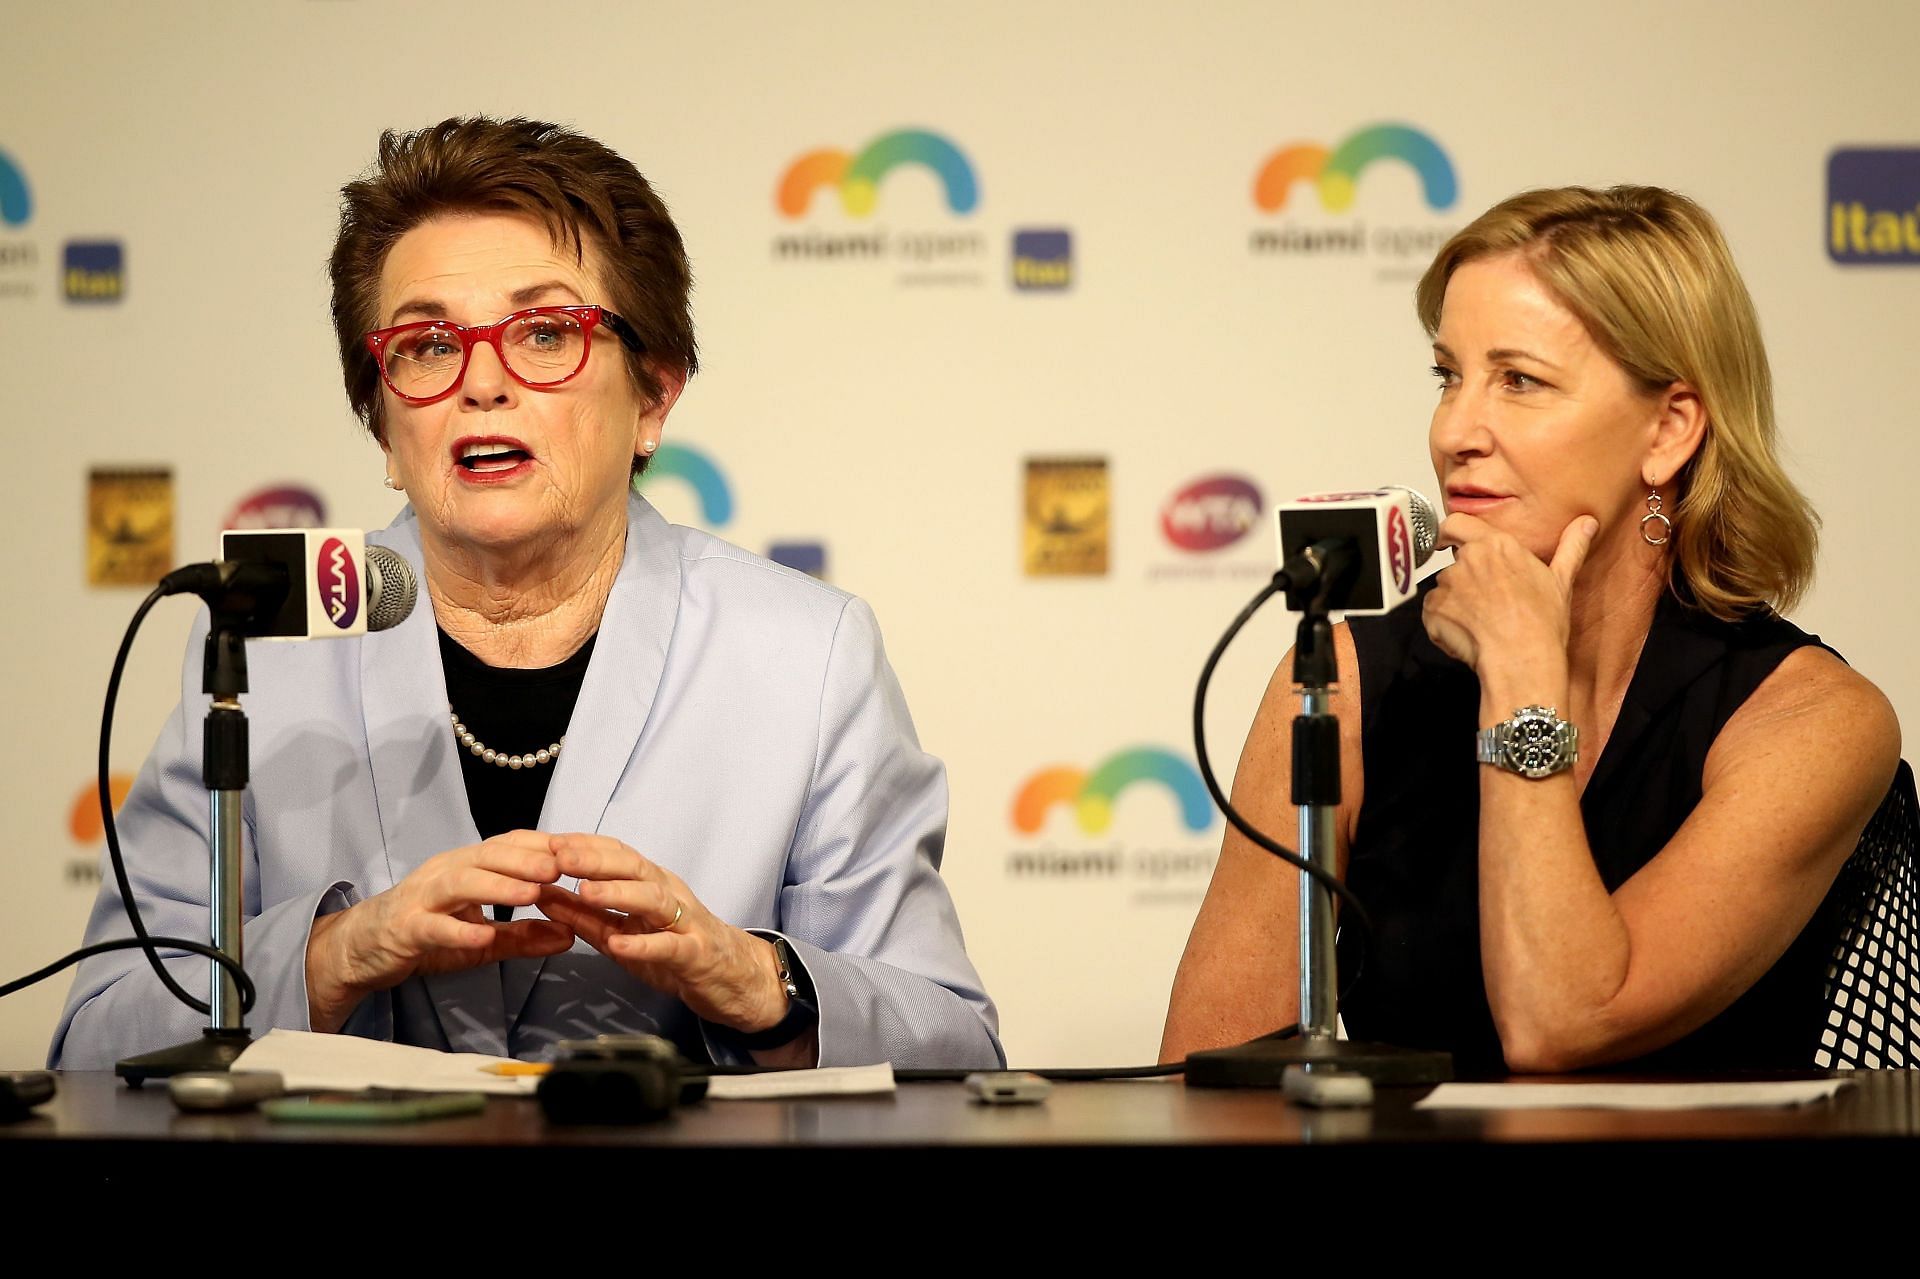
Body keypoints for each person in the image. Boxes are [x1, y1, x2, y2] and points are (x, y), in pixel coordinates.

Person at [52, 117, 1002, 1071]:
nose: (482, 384)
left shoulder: (805, 653)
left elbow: (957, 1049)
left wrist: (759, 982)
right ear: (382, 426)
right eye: (427, 346)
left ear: (655, 394)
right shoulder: (261, 651)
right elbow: (97, 1040)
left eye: (544, 333)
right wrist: (333, 957)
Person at [1162, 185, 1901, 1074]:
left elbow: (1563, 1023)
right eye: (1449, 375)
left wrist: (1519, 673)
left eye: (1520, 380)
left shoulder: (1812, 721)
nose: (1455, 430)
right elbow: (1204, 1080)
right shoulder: (1346, 680)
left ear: (1668, 429)